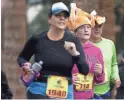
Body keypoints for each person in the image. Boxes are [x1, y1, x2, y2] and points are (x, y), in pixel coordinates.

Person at [17, 2, 89, 99]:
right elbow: (22, 57)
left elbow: (84, 70)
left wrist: (75, 53)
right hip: (39, 89)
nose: (62, 18)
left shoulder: (73, 40)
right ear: (49, 19)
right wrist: (25, 65)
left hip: (65, 91)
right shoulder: (37, 39)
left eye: (65, 16)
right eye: (58, 15)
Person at [67, 6, 105, 99]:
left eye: (88, 27)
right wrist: (70, 79)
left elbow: (100, 80)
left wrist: (99, 73)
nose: (86, 30)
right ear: (75, 32)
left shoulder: (97, 51)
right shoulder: (68, 48)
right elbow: (57, 73)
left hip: (89, 97)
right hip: (69, 96)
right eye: (82, 27)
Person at [91, 15, 121, 99]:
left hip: (105, 91)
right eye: (94, 26)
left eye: (99, 26)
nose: (97, 29)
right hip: (88, 92)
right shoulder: (84, 45)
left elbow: (113, 64)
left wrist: (115, 77)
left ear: (103, 27)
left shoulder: (110, 44)